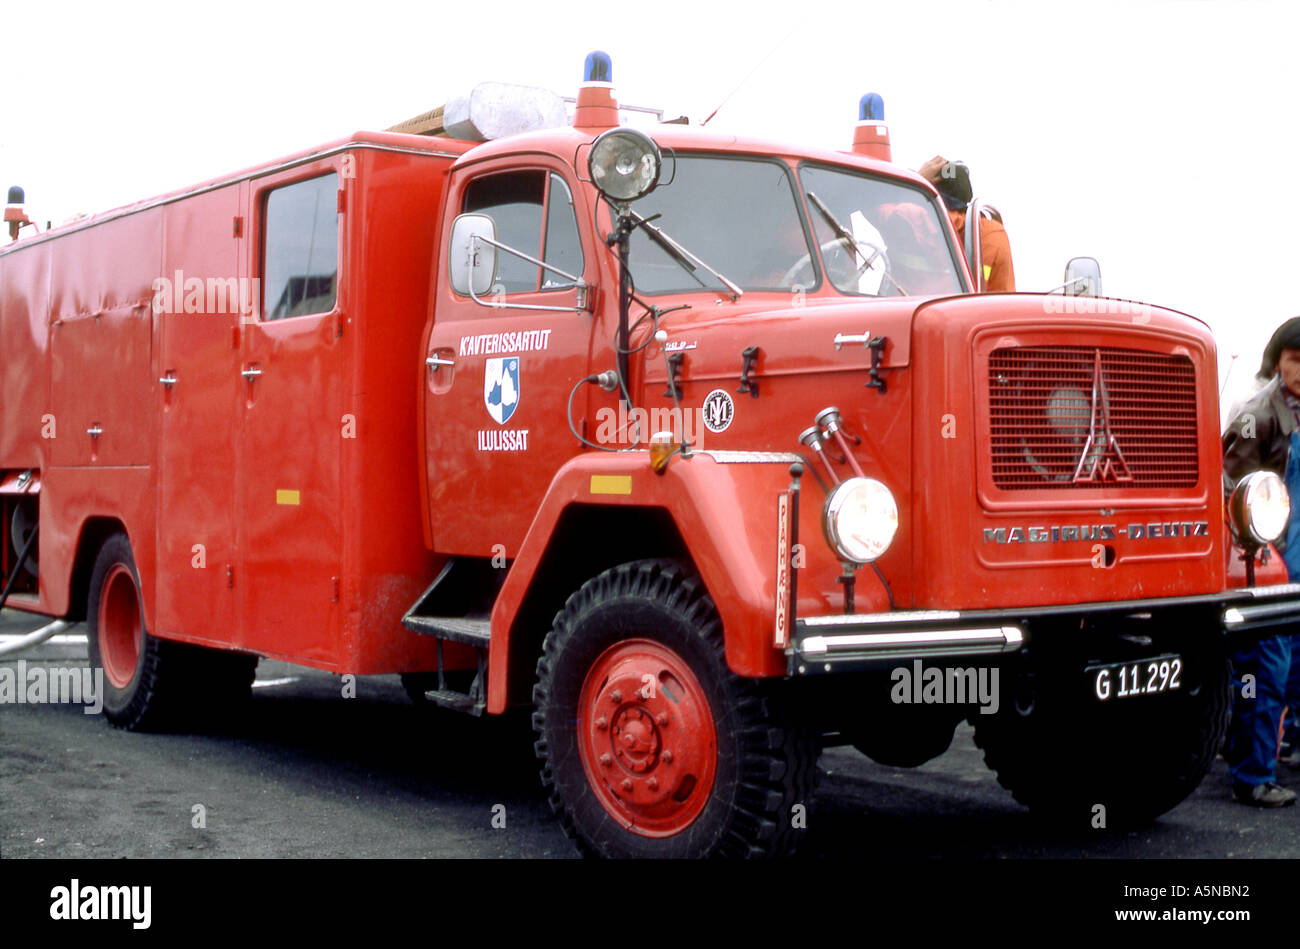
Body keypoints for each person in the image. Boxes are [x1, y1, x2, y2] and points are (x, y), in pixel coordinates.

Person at [1220, 316, 1300, 806]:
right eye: (1295, 360)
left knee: (1291, 668)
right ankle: (1253, 776)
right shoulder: (1257, 414)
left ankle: (1259, 750)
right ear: (1277, 362)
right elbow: (1231, 492)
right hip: (1270, 563)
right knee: (1263, 669)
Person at [918, 156, 1016, 292]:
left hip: (905, 311)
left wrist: (918, 181)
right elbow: (1004, 298)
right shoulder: (992, 235)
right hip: (969, 312)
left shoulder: (911, 218)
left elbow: (879, 204)